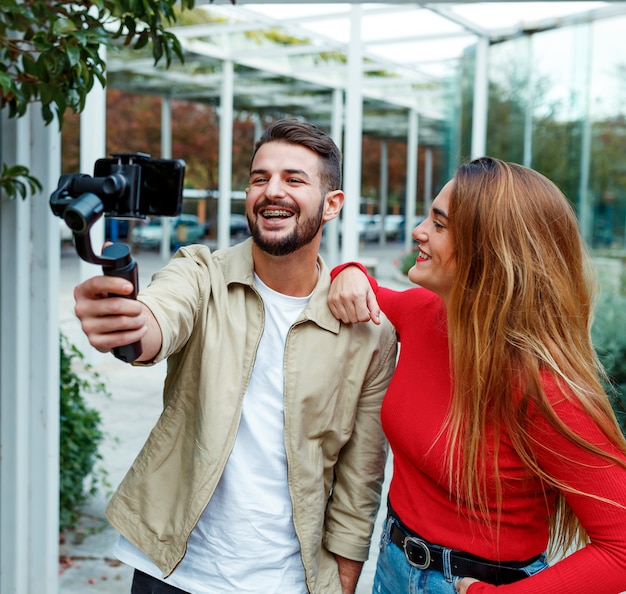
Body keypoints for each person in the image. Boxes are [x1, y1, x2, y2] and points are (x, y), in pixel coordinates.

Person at [73, 119, 397, 594]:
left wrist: (341, 586)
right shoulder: (200, 271)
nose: (272, 191)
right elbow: (160, 318)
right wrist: (129, 322)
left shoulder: (369, 332)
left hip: (288, 581)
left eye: (294, 179)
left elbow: (359, 484)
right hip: (172, 572)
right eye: (260, 178)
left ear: (332, 205)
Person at [328, 157, 626, 594]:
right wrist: (347, 271)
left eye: (440, 224)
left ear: (490, 249)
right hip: (391, 566)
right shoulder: (424, 313)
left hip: (473, 584)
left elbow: (619, 549)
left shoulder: (543, 387)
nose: (418, 232)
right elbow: (363, 288)